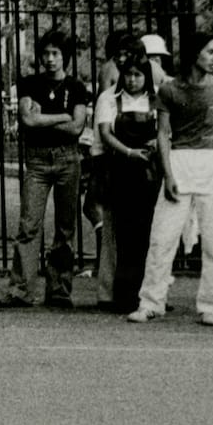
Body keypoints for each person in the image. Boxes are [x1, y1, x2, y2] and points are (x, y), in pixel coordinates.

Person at [128, 32, 213, 326]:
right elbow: (163, 134)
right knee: (162, 238)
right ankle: (151, 302)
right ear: (195, 54)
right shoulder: (169, 90)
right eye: (211, 52)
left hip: (211, 164)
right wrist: (168, 175)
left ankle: (211, 305)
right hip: (179, 161)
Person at [0, 30, 91, 309]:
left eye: (56, 54)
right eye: (45, 54)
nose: (50, 59)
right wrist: (62, 115)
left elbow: (77, 127)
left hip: (67, 159)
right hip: (37, 160)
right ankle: (21, 289)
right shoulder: (30, 84)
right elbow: (27, 120)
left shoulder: (76, 87)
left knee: (65, 227)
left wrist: (45, 118)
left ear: (65, 56)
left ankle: (59, 289)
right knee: (29, 224)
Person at [96, 53, 160, 316]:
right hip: (121, 170)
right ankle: (121, 296)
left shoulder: (155, 101)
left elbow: (166, 131)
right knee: (122, 235)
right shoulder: (111, 100)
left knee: (147, 234)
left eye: (138, 75)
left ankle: (145, 295)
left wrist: (155, 145)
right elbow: (105, 133)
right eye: (128, 75)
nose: (132, 80)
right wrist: (128, 152)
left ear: (146, 77)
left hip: (149, 172)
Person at [84, 30, 136, 310]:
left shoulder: (143, 92)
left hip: (129, 159)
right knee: (111, 221)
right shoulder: (109, 85)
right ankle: (109, 290)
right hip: (114, 157)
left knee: (127, 226)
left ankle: (127, 289)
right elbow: (105, 128)